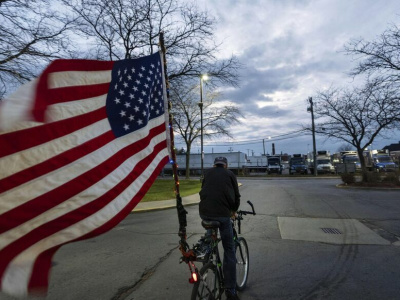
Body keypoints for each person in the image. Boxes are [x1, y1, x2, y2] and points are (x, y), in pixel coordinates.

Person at [198, 156, 241, 300]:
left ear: (215, 165)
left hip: (205, 214)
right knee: (229, 249)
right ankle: (230, 289)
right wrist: (233, 211)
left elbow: (203, 192)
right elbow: (236, 196)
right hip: (223, 216)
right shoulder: (230, 174)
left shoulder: (207, 173)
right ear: (225, 165)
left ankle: (207, 262)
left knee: (210, 239)